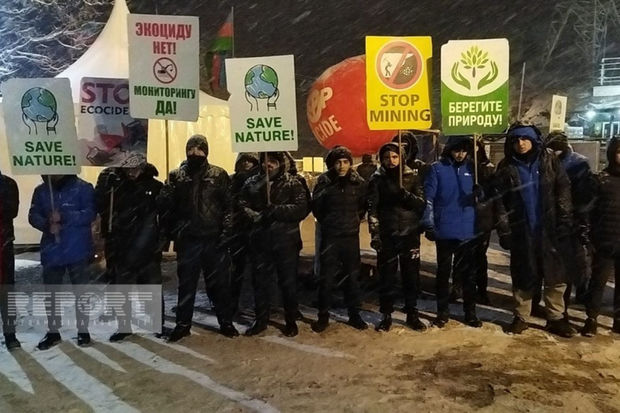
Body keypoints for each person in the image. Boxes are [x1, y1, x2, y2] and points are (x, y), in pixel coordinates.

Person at [491, 123, 576, 338]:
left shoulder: (549, 161)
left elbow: (563, 189)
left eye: (525, 139)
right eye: (516, 140)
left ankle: (556, 317)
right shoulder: (506, 166)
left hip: (550, 229)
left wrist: (565, 219)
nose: (520, 144)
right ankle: (521, 316)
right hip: (522, 230)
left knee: (555, 274)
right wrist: (504, 230)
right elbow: (500, 201)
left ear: (533, 141)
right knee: (523, 273)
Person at [158, 134, 239, 341]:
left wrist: (226, 233)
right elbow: (167, 208)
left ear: (206, 151)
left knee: (219, 284)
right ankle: (182, 325)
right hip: (188, 240)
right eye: (191, 149)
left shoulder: (218, 174)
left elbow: (229, 207)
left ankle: (226, 322)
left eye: (199, 149)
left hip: (214, 239)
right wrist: (173, 229)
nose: (195, 153)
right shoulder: (177, 175)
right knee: (186, 284)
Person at [95, 154, 164, 341]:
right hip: (122, 246)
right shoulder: (114, 186)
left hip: (147, 248)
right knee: (122, 290)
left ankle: (157, 323)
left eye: (136, 168)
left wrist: (161, 244)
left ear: (143, 166)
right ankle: (124, 326)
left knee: (152, 290)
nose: (132, 173)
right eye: (128, 169)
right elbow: (99, 206)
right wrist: (105, 187)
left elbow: (165, 216)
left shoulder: (156, 187)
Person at [239, 152, 309, 337]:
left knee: (288, 282)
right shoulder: (252, 182)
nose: (268, 165)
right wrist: (255, 216)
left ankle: (290, 320)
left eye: (273, 162)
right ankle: (261, 319)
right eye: (265, 161)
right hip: (260, 242)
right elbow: (242, 203)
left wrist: (277, 210)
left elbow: (301, 208)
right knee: (260, 282)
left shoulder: (293, 182)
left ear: (280, 163)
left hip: (286, 241)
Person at [422, 136, 485, 328]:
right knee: (443, 273)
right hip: (445, 230)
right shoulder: (437, 169)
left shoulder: (472, 170)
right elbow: (429, 198)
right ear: (449, 149)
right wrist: (429, 223)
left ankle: (470, 312)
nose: (460, 154)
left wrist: (479, 192)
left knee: (468, 275)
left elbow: (483, 198)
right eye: (457, 150)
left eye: (464, 150)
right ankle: (442, 312)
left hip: (467, 230)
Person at [29, 174, 96, 349]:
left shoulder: (84, 187)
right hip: (52, 250)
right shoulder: (42, 191)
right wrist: (45, 223)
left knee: (81, 291)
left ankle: (83, 330)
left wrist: (64, 217)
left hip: (77, 248)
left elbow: (90, 213)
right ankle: (53, 331)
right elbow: (33, 214)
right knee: (51, 294)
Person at [368, 142, 427, 332]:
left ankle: (412, 313)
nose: (391, 161)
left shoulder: (413, 176)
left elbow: (421, 204)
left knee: (411, 276)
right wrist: (375, 233)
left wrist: (406, 195)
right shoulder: (377, 179)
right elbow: (373, 209)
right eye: (386, 157)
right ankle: (386, 314)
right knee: (387, 276)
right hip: (388, 234)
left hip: (409, 233)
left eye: (394, 157)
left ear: (401, 157)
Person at [311, 146, 368, 332]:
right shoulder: (324, 181)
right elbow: (317, 207)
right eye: (337, 162)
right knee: (326, 278)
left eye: (345, 162)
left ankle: (354, 314)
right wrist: (329, 221)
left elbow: (362, 207)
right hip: (331, 237)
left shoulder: (357, 182)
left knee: (352, 278)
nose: (341, 166)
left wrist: (352, 221)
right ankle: (323, 316)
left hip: (350, 236)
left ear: (350, 163)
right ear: (331, 164)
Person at [543, 131, 593, 315]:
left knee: (571, 265)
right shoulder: (546, 161)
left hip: (571, 221)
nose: (553, 153)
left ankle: (576, 296)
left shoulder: (578, 164)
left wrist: (580, 219)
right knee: (555, 267)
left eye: (556, 149)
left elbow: (584, 195)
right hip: (551, 220)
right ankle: (558, 307)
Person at [582, 136, 620, 336]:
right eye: (619, 152)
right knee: (597, 282)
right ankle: (591, 318)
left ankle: (618, 320)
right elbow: (589, 211)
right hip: (604, 241)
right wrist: (590, 237)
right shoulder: (600, 180)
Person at [229, 152, 260, 315]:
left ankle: (258, 305)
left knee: (257, 272)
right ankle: (232, 303)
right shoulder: (231, 180)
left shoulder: (260, 181)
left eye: (250, 161)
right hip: (237, 232)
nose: (247, 164)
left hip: (255, 231)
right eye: (244, 160)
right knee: (236, 271)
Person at [0, 170, 20, 349]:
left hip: (3, 246)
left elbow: (12, 211)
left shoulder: (8, 184)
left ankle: (10, 334)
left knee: (6, 291)